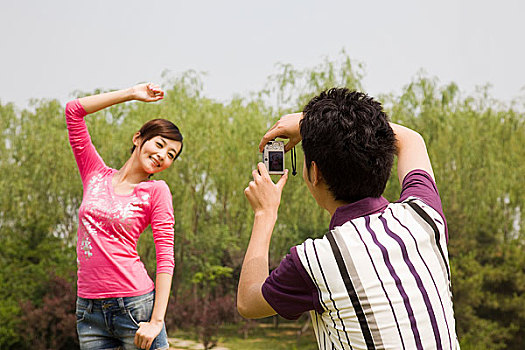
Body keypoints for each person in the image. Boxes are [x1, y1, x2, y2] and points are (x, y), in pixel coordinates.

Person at [237, 88, 460, 349]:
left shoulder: (315, 260)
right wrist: (310, 123)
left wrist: (265, 214)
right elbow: (411, 140)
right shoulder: (424, 217)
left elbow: (248, 302)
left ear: (314, 172)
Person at [65, 83, 182, 350]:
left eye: (170, 155)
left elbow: (165, 258)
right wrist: (131, 94)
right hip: (88, 311)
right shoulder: (94, 174)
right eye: (160, 144)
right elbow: (73, 111)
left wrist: (157, 321)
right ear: (138, 138)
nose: (162, 155)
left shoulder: (156, 191)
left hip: (134, 307)